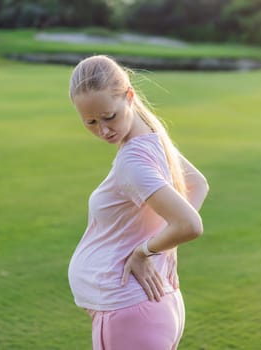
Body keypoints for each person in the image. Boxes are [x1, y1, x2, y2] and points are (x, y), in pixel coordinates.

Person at [67, 55, 209, 350]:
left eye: (109, 116)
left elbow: (189, 224)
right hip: (152, 305)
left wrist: (146, 252)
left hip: (130, 311)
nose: (103, 130)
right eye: (90, 122)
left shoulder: (132, 161)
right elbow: (197, 184)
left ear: (129, 96)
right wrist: (162, 245)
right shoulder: (153, 140)